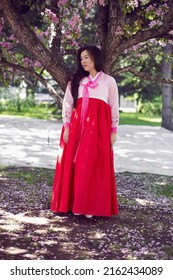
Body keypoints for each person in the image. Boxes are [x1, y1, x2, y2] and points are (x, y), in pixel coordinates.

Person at [51, 45, 119, 218]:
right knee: (77, 164)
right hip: (77, 128)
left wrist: (113, 131)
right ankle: (75, 204)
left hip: (99, 130)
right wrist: (66, 126)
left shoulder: (109, 81)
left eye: (86, 57)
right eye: (81, 58)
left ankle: (91, 205)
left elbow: (114, 107)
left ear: (95, 57)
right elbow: (68, 103)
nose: (83, 61)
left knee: (94, 165)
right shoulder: (76, 81)